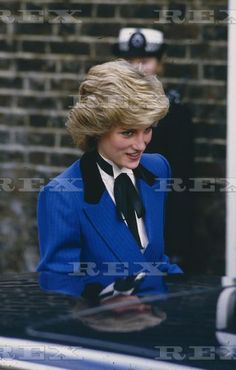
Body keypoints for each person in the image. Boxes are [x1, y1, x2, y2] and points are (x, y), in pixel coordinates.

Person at [37, 60, 182, 305]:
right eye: (127, 132)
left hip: (156, 326)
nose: (141, 144)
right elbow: (60, 290)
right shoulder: (62, 195)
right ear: (97, 128)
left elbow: (155, 260)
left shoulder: (158, 168)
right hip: (103, 337)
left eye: (147, 129)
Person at [113, 28, 194, 270]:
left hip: (159, 219)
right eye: (130, 62)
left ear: (159, 65)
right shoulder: (107, 110)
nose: (137, 69)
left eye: (145, 61)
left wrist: (176, 244)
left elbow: (181, 180)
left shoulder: (175, 114)